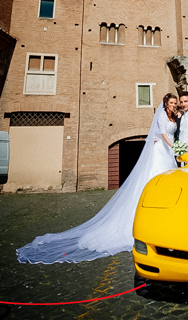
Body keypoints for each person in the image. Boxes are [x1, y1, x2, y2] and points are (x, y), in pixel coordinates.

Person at [16, 94, 179, 264]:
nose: (173, 105)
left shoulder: (173, 116)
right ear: (165, 104)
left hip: (169, 153)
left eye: (175, 103)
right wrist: (174, 147)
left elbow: (173, 130)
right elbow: (163, 134)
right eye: (171, 103)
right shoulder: (161, 115)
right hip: (162, 150)